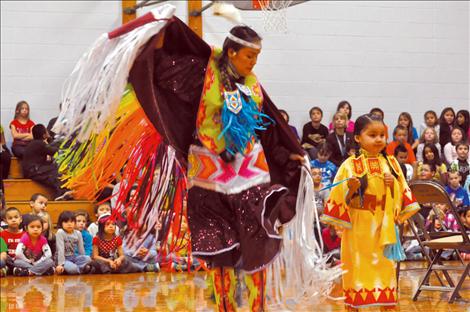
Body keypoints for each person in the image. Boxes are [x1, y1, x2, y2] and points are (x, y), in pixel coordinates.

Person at [52, 9, 329, 310]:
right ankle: (224, 306)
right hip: (208, 177)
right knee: (219, 251)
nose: (253, 63)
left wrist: (290, 156)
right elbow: (158, 70)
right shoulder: (200, 73)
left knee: (256, 245)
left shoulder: (252, 85)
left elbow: (268, 127)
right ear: (232, 52)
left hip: (249, 176)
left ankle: (256, 307)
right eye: (249, 56)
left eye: (256, 58)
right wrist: (159, 32)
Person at [321, 114, 420, 309]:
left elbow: (403, 194)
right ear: (358, 138)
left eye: (382, 135)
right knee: (357, 273)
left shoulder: (391, 163)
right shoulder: (349, 165)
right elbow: (337, 197)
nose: (379, 139)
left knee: (386, 271)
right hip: (359, 229)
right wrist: (351, 189)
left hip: (384, 229)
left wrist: (393, 187)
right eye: (372, 135)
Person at [22, 124, 71, 200]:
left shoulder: (34, 143)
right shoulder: (40, 143)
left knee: (53, 169)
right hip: (34, 170)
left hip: (33, 169)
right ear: (44, 134)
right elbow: (54, 151)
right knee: (56, 170)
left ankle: (63, 192)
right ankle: (60, 193)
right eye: (46, 131)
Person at [55, 211, 93, 275]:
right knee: (73, 269)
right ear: (61, 223)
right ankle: (78, 269)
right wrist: (60, 264)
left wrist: (84, 260)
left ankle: (73, 269)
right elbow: (60, 249)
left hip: (73, 257)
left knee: (88, 258)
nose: (69, 224)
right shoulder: (60, 232)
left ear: (74, 223)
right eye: (66, 222)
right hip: (64, 259)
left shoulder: (78, 233)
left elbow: (81, 250)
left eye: (71, 222)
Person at [0, 207, 23, 271]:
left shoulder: (25, 235)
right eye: (10, 218)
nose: (13, 220)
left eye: (16, 217)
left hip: (21, 261)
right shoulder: (2, 234)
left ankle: (8, 270)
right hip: (7, 260)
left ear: (20, 219)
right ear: (5, 221)